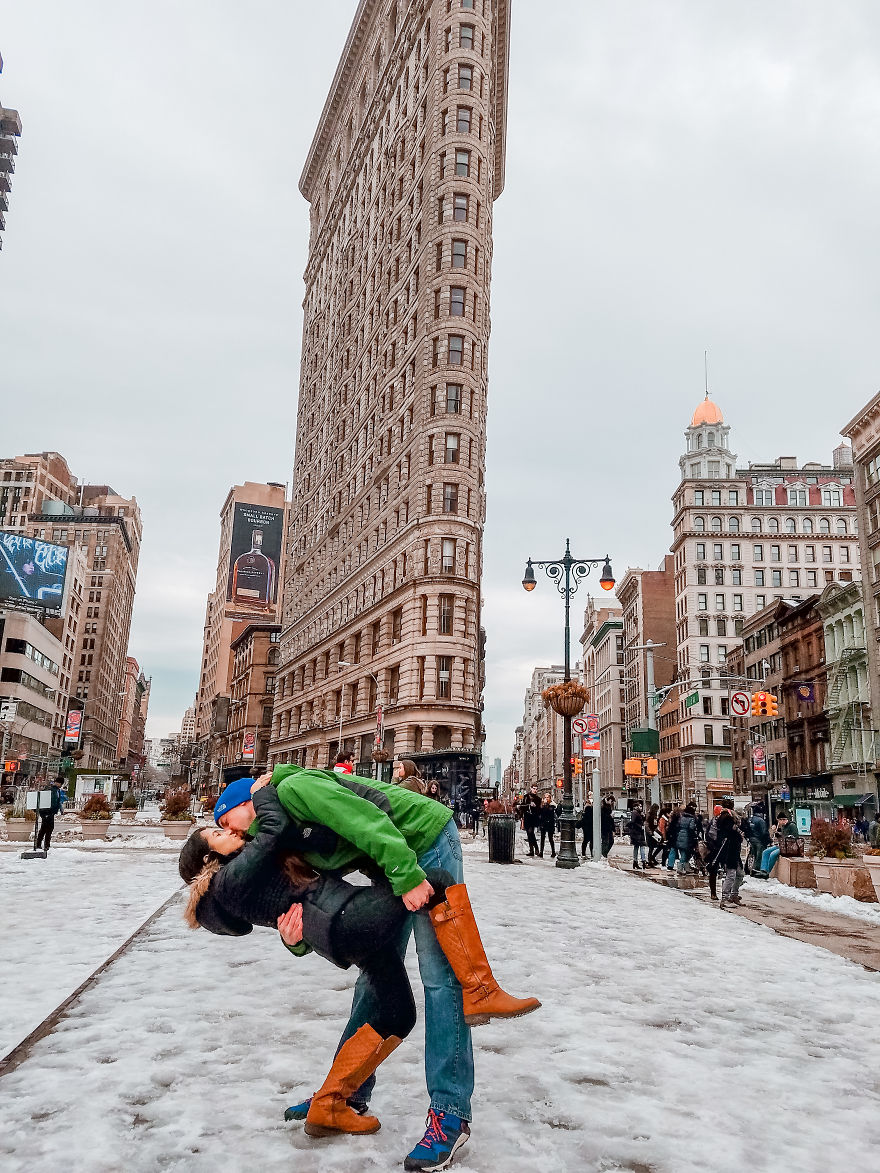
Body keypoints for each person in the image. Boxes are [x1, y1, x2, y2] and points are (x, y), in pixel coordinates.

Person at [216, 764, 540, 1171]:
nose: (239, 836)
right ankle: (343, 1093)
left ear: (248, 799)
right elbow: (319, 900)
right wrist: (295, 939)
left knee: (439, 978)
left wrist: (406, 876)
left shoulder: (295, 789)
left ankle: (449, 1113)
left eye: (230, 823)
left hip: (423, 842)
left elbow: (368, 820)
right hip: (390, 861)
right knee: (372, 979)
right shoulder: (281, 841)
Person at [713, 797, 745, 909]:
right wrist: (739, 834)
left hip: (734, 850)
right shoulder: (726, 818)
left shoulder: (727, 817)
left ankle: (734, 895)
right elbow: (730, 833)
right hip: (729, 850)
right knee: (731, 875)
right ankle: (725, 899)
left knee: (740, 874)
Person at [755, 811, 798, 877]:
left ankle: (767, 872)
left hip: (790, 847)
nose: (778, 823)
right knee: (765, 852)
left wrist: (784, 840)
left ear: (782, 820)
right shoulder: (783, 827)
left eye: (779, 821)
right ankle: (763, 870)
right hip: (782, 845)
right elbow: (783, 837)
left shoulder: (792, 826)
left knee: (773, 854)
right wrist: (778, 835)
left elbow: (794, 838)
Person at [35, 775, 67, 851]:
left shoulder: (56, 790)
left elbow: (57, 801)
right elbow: (50, 801)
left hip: (50, 812)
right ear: (58, 783)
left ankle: (44, 844)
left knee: (48, 828)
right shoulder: (51, 790)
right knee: (45, 829)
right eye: (60, 784)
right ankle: (42, 844)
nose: (60, 786)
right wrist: (46, 812)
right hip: (47, 812)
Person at [705, 805, 723, 900]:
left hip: (714, 848)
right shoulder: (717, 823)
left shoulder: (712, 822)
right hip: (716, 849)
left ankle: (714, 893)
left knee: (714, 871)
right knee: (714, 871)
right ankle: (714, 893)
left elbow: (707, 835)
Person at [675, 802, 698, 873]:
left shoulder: (682, 818)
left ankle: (686, 868)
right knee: (686, 854)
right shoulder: (691, 819)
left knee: (683, 853)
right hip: (687, 837)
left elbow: (678, 826)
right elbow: (691, 829)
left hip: (680, 836)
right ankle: (680, 868)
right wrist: (695, 836)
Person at [747, 807, 771, 874]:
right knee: (759, 856)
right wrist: (769, 840)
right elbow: (764, 832)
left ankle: (751, 869)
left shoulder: (750, 819)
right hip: (759, 840)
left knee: (754, 855)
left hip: (751, 839)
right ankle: (756, 870)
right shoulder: (761, 820)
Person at [521, 786, 541, 857]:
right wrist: (527, 806)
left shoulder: (538, 799)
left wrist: (535, 807)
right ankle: (532, 850)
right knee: (529, 834)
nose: (535, 790)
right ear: (531, 788)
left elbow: (539, 810)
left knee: (531, 832)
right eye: (534, 789)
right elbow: (522, 806)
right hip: (527, 817)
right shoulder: (526, 796)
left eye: (536, 789)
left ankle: (536, 848)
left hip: (533, 818)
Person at [627, 803, 647, 869]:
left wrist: (643, 816)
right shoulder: (635, 813)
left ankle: (635, 861)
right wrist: (640, 826)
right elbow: (633, 822)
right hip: (637, 832)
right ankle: (643, 861)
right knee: (641, 846)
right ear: (636, 807)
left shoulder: (638, 813)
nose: (641, 807)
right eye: (640, 806)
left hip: (637, 832)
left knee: (637, 846)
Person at [538, 793, 557, 858]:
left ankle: (553, 852)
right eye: (545, 797)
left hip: (550, 824)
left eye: (547, 797)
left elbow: (549, 812)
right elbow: (541, 813)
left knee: (550, 838)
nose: (546, 799)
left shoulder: (552, 805)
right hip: (543, 823)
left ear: (550, 798)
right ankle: (541, 852)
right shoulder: (542, 805)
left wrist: (545, 805)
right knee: (542, 838)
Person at [646, 803, 663, 867]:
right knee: (651, 847)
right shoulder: (650, 816)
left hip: (653, 833)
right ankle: (650, 860)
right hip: (651, 834)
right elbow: (647, 825)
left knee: (654, 847)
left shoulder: (653, 816)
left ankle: (651, 858)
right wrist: (651, 832)